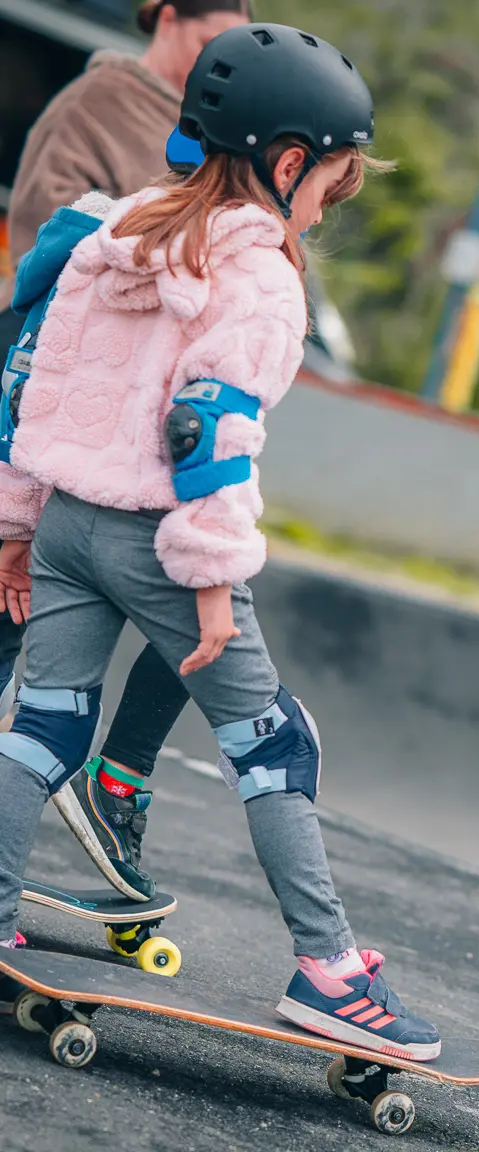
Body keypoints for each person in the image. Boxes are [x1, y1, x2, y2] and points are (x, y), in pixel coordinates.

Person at [0, 22, 441, 1059]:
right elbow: (206, 429)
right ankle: (330, 971)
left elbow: (33, 386)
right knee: (273, 743)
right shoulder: (259, 279)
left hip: (65, 527)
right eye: (334, 181)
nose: (333, 201)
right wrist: (208, 578)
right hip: (160, 539)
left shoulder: (111, 236)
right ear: (289, 163)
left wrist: (15, 528)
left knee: (44, 730)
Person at [0, 0, 254, 905]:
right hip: (62, 405)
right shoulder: (99, 103)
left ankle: (122, 777)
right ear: (168, 15)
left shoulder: (230, 122)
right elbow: (47, 251)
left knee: (213, 585)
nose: (219, 60)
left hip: (156, 425)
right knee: (15, 608)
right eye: (210, 36)